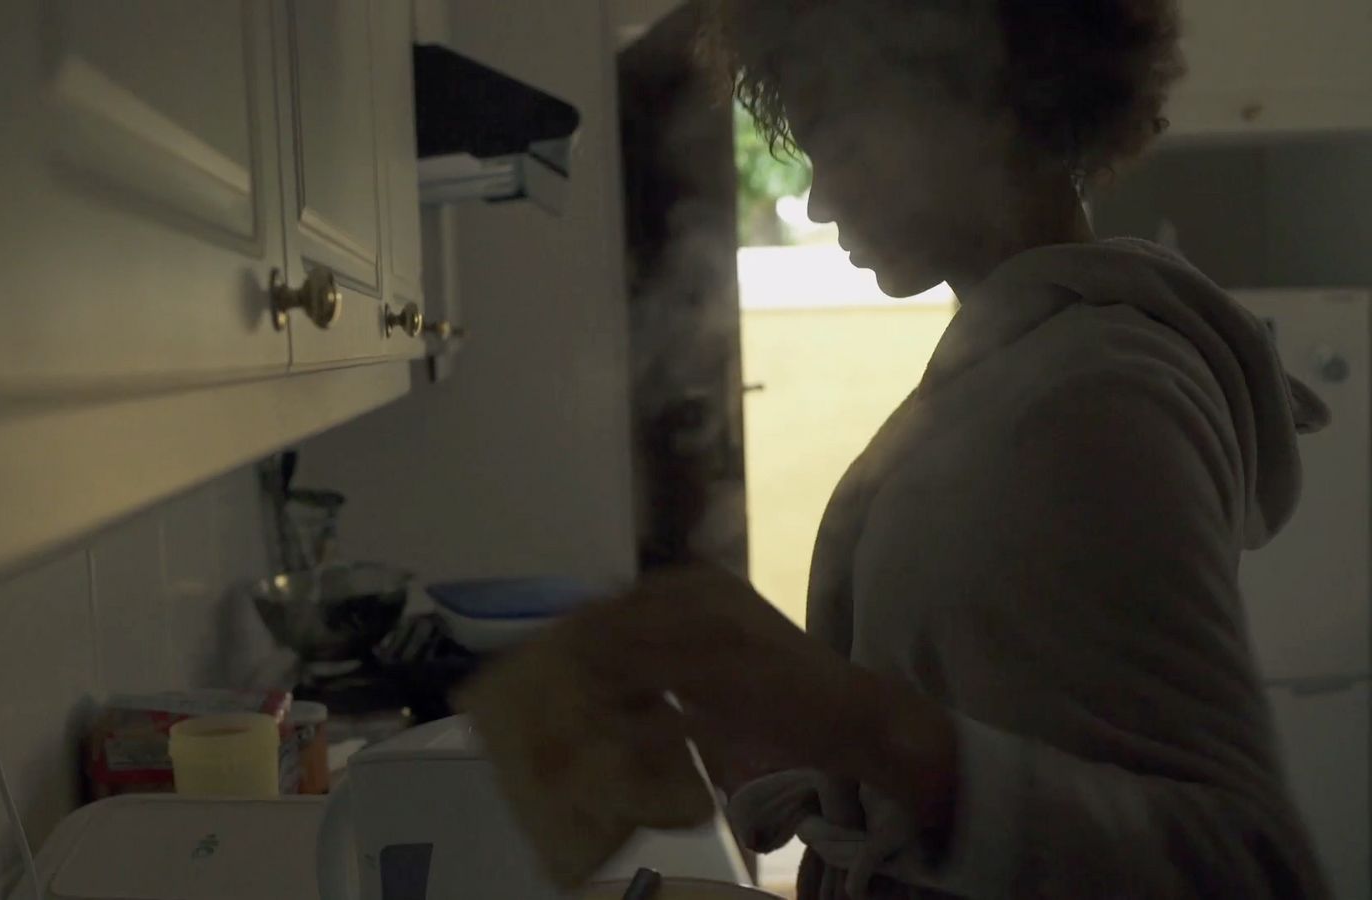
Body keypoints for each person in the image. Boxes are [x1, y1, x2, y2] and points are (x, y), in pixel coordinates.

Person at [559, 1, 1335, 897]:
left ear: (972, 103)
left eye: (837, 141)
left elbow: (1246, 866)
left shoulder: (1095, 398)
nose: (819, 198)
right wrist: (820, 763)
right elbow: (1025, 730)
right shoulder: (1013, 368)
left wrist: (852, 724)